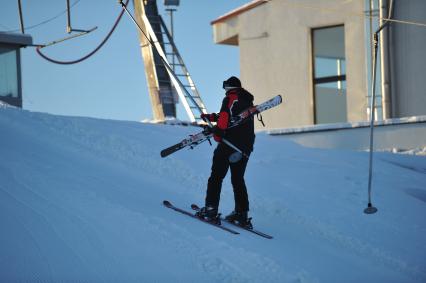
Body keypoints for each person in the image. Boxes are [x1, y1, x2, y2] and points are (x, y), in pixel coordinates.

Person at [196, 76, 255, 228]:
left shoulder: (230, 98)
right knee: (238, 179)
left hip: (229, 144)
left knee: (216, 177)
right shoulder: (247, 102)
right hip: (245, 148)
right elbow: (233, 118)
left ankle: (210, 210)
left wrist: (218, 133)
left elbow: (224, 117)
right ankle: (241, 214)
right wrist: (211, 117)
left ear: (228, 87)